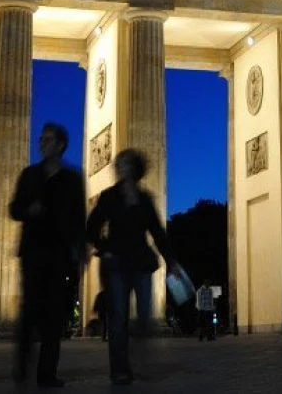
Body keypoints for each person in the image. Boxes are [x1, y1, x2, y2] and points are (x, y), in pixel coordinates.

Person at [86, 149, 174, 386]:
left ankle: (135, 354)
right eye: (119, 164)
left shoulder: (145, 199)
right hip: (116, 264)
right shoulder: (108, 196)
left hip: (140, 264)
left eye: (126, 163)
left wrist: (171, 261)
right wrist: (104, 247)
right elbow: (91, 226)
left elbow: (157, 232)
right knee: (118, 318)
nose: (121, 167)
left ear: (136, 168)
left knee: (144, 317)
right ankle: (120, 369)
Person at [10, 122, 85, 388]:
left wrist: (80, 252)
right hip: (33, 251)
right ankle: (21, 366)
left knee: (54, 316)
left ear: (61, 145)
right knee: (29, 311)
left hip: (60, 253)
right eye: (41, 138)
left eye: (48, 139)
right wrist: (28, 210)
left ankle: (47, 373)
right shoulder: (28, 175)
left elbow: (79, 219)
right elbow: (13, 209)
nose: (41, 142)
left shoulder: (74, 179)